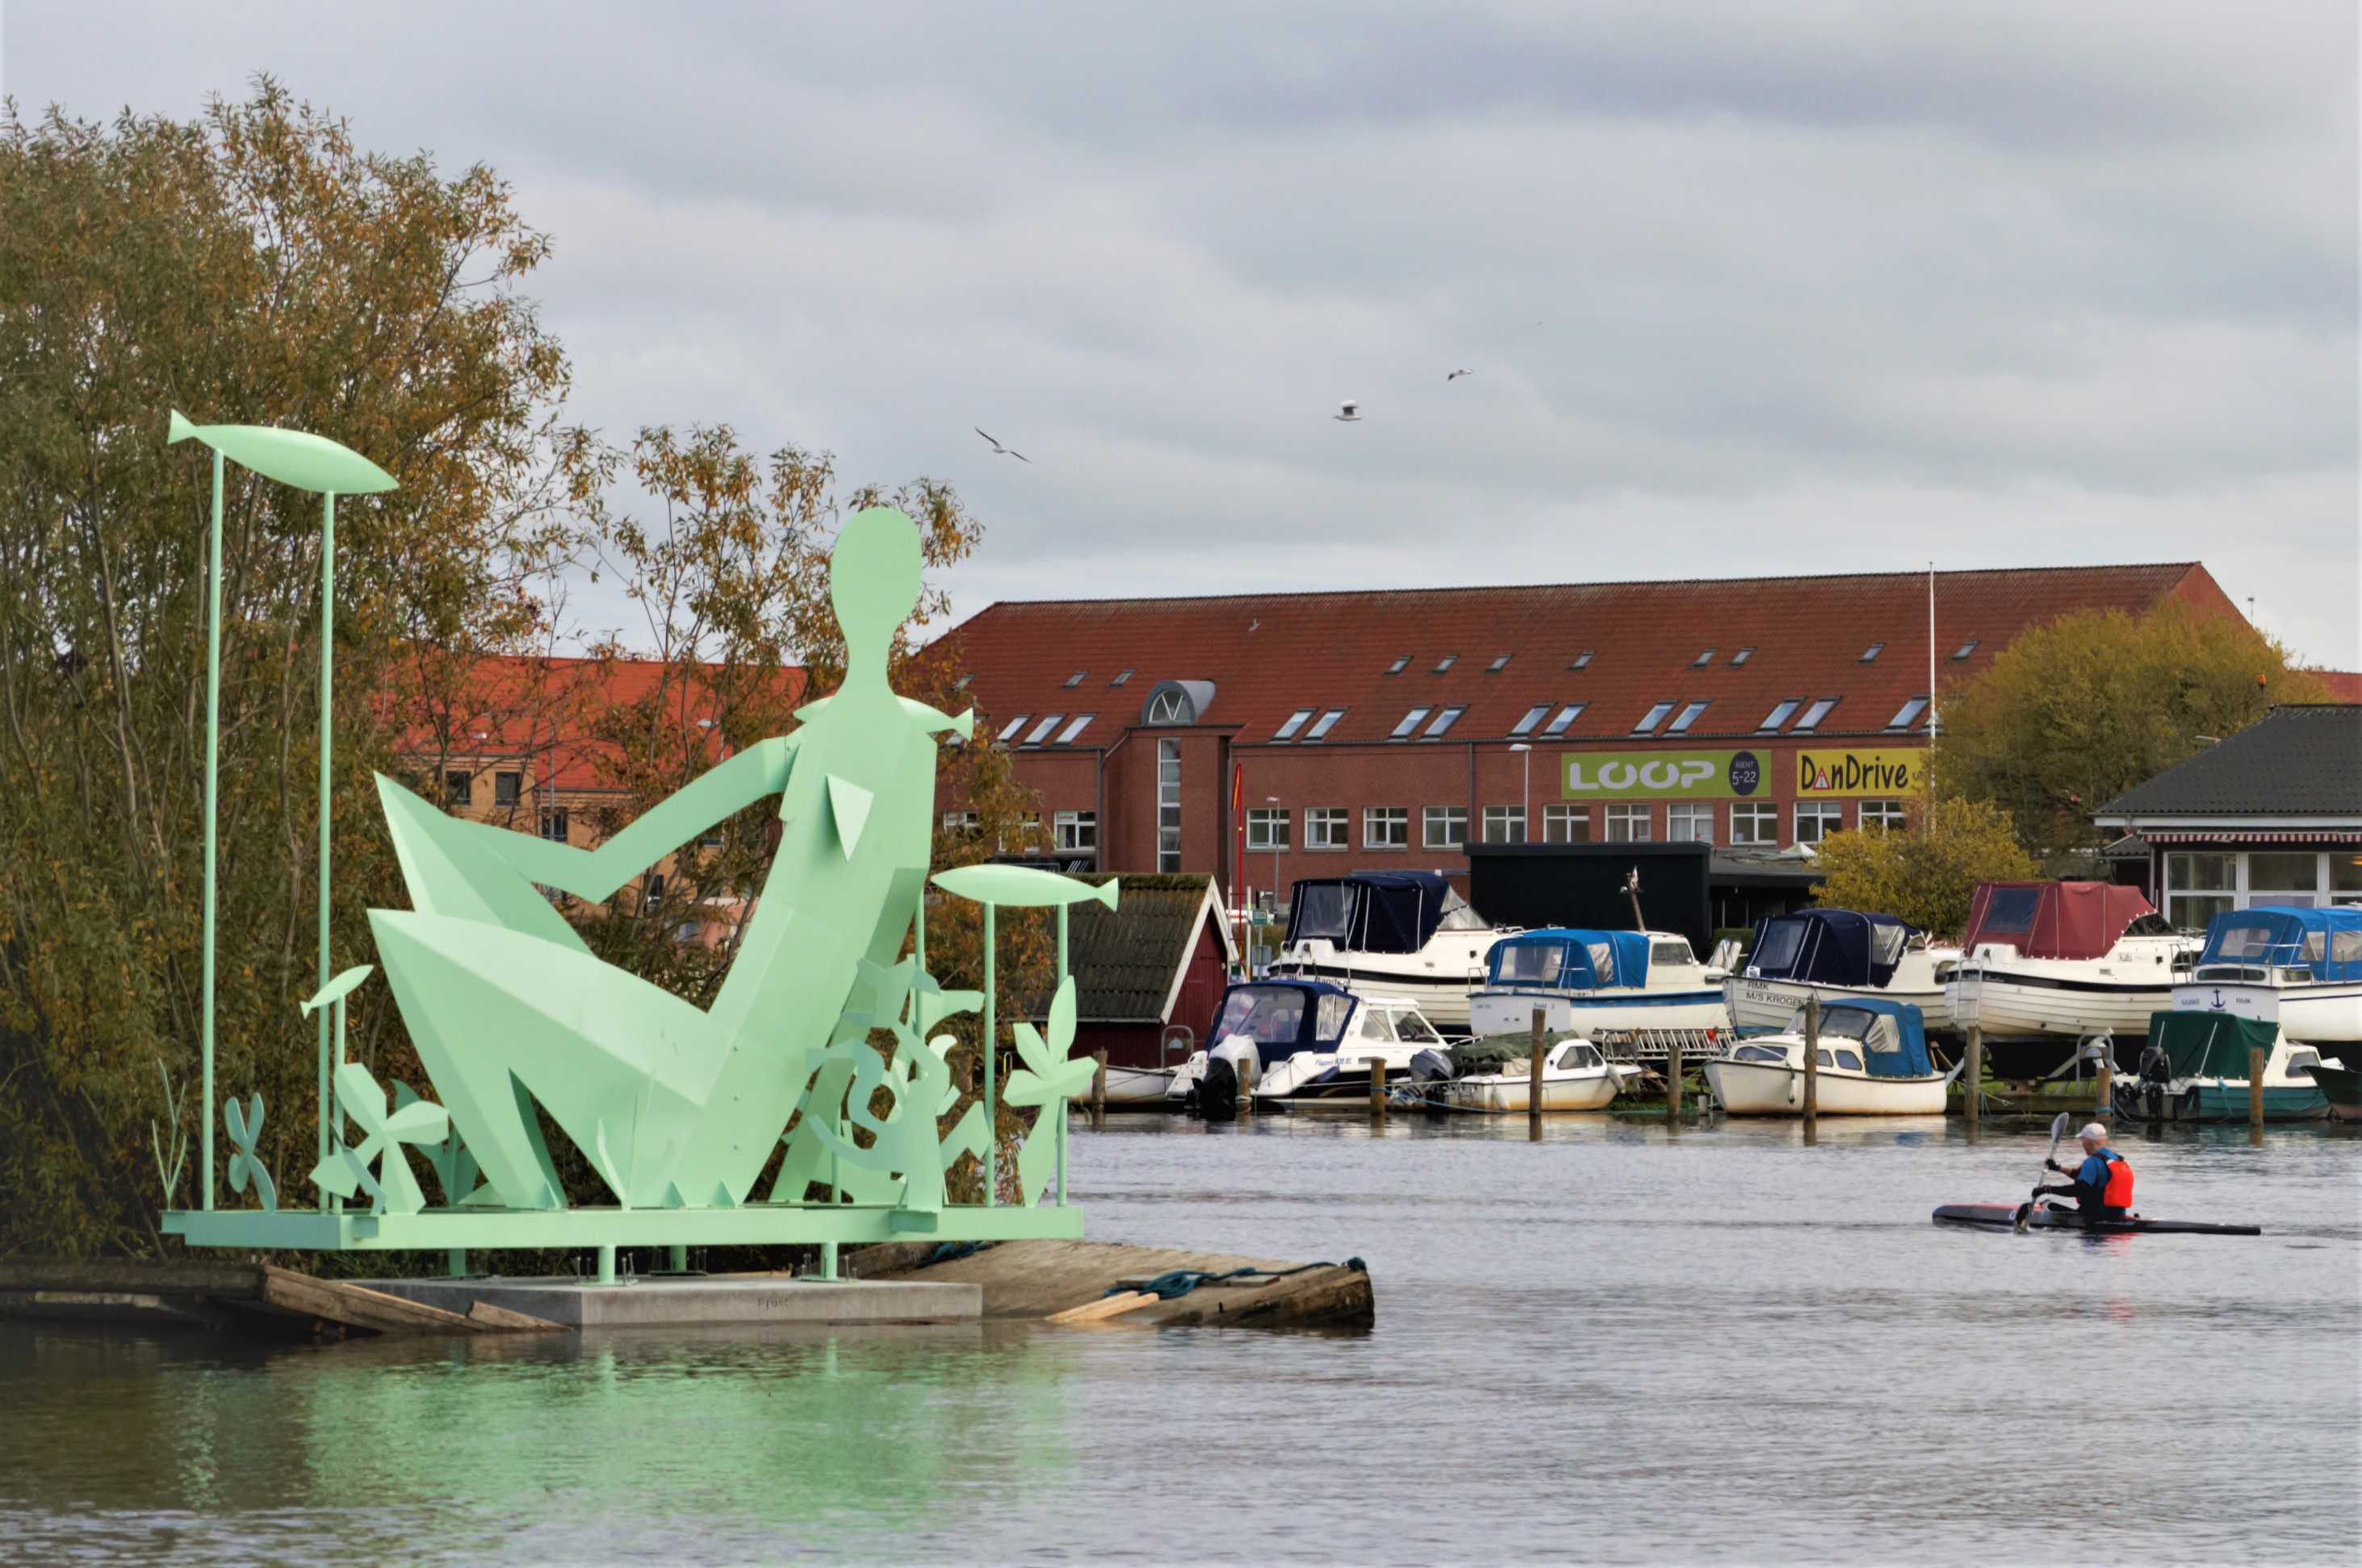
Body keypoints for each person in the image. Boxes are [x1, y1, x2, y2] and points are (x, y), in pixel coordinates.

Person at [2033, 1123, 2134, 1221]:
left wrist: (2046, 1189)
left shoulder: (2092, 1162)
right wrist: (2058, 1168)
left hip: (2092, 1217)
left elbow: (2078, 1190)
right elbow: (2080, 1176)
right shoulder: (2116, 1158)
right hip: (2117, 1216)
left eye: (2082, 1140)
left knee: (2047, 1205)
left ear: (2088, 1141)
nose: (2082, 1144)